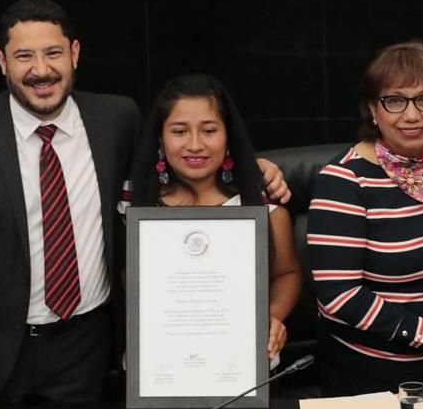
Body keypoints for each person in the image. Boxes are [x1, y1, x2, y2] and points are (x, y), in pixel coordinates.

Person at [0, 0, 290, 409]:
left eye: (53, 53)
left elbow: (184, 154)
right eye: (24, 55)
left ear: (75, 53)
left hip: (90, 352)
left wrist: (255, 168)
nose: (41, 69)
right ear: (1, 60)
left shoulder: (116, 118)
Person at [306, 40, 423, 396]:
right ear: (372, 110)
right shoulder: (343, 182)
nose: (412, 115)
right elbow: (340, 295)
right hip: (369, 376)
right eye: (394, 101)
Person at [125, 74, 301, 360]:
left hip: (246, 365)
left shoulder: (262, 204)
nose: (195, 145)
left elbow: (287, 273)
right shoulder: (131, 205)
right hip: (156, 369)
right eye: (179, 131)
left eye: (209, 131)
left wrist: (271, 318)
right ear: (160, 136)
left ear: (228, 135)